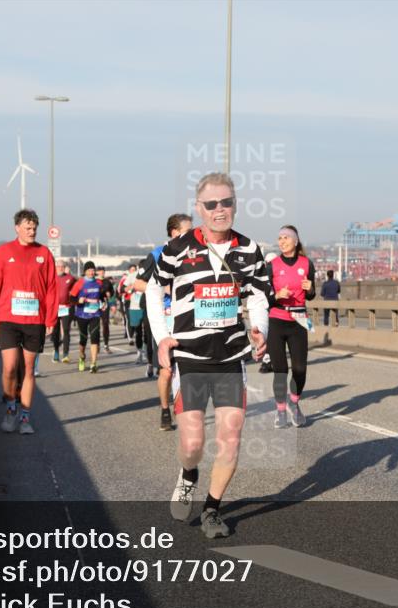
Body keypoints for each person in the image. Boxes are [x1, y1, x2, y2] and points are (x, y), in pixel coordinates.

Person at [148, 173, 269, 539]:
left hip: (231, 356)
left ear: (235, 204)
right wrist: (162, 338)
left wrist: (259, 327)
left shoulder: (249, 249)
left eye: (227, 202)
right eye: (212, 204)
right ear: (199, 208)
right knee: (192, 444)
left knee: (230, 437)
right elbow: (155, 291)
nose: (220, 210)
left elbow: (259, 294)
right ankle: (188, 475)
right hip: (191, 356)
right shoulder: (178, 248)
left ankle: (212, 509)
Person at [0, 209, 58, 436]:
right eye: (27, 227)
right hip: (8, 318)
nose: (32, 231)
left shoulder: (44, 254)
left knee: (28, 370)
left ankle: (25, 417)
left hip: (34, 320)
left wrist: (50, 318)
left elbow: (52, 288)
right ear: (17, 228)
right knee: (8, 368)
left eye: (34, 227)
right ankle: (10, 408)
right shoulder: (4, 252)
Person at [135, 213, 193, 430]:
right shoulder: (157, 254)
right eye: (188, 230)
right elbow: (138, 284)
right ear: (174, 233)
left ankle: (185, 411)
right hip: (164, 321)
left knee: (188, 368)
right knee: (167, 370)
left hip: (187, 320)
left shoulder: (194, 255)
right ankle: (165, 410)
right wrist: (164, 288)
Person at [267, 225, 316, 428]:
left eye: (286, 237)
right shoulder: (272, 265)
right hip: (277, 320)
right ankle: (280, 411)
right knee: (280, 370)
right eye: (279, 238)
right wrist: (277, 296)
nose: (282, 241)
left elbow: (311, 295)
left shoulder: (306, 264)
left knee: (300, 368)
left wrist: (311, 288)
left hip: (298, 320)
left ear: (295, 241)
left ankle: (294, 402)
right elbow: (264, 298)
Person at [70, 261, 104, 373]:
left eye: (93, 270)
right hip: (82, 315)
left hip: (95, 314)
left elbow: (102, 295)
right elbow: (71, 298)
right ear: (85, 272)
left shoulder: (99, 282)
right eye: (89, 270)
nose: (91, 272)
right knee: (83, 339)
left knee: (94, 337)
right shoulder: (80, 283)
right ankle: (82, 356)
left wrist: (104, 302)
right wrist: (78, 301)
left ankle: (93, 364)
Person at [51, 262, 76, 363]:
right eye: (58, 266)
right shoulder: (51, 277)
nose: (60, 268)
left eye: (62, 266)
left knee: (66, 330)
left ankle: (65, 354)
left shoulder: (71, 278)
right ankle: (56, 351)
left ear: (65, 268)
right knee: (55, 332)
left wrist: (74, 296)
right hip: (54, 308)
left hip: (66, 307)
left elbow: (77, 288)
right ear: (55, 268)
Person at [96, 267, 115, 353]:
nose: (102, 273)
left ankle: (106, 345)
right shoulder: (94, 281)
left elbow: (112, 292)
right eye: (100, 271)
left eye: (103, 271)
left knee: (105, 324)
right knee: (95, 325)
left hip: (104, 304)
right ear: (97, 272)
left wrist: (109, 294)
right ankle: (96, 344)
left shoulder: (107, 281)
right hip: (95, 304)